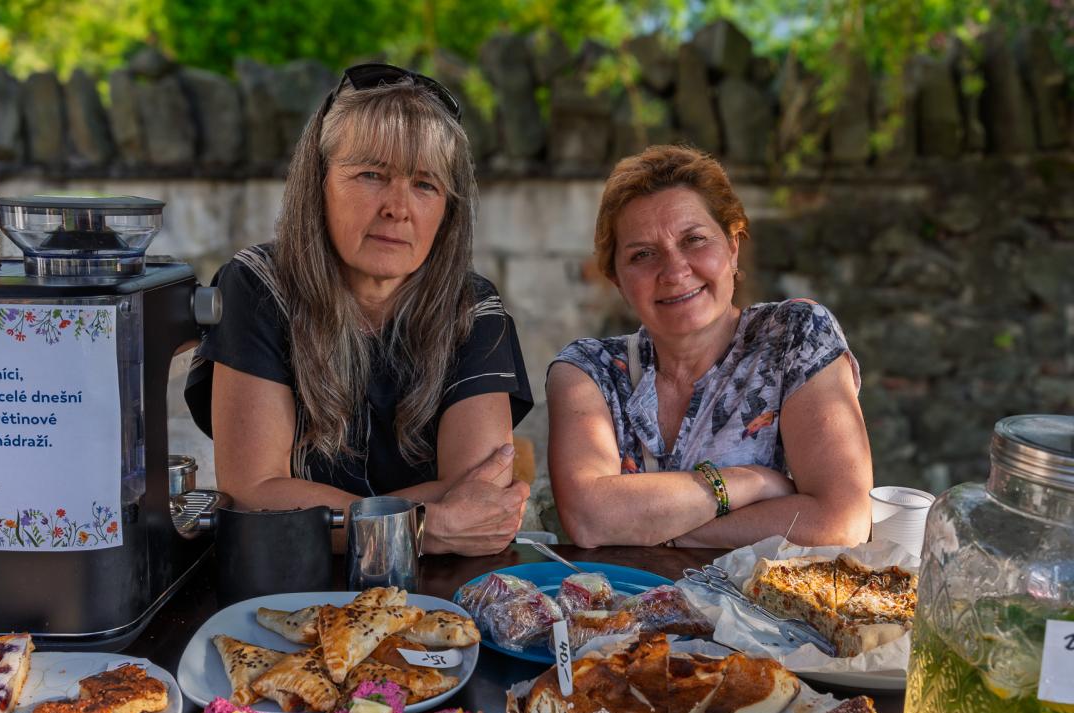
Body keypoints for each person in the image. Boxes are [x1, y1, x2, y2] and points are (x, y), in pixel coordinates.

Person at [185, 64, 532, 556]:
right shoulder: (258, 287)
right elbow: (253, 494)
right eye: (372, 174)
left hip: (436, 588)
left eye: (425, 184)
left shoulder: (472, 309)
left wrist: (330, 517)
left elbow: (481, 496)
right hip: (294, 580)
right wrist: (425, 527)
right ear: (318, 183)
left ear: (448, 212)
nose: (398, 207)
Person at [547, 145, 872, 549]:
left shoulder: (794, 338)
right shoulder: (588, 371)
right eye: (643, 254)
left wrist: (648, 528)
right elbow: (589, 518)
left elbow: (841, 521)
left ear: (733, 247)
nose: (674, 271)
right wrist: (751, 483)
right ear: (618, 280)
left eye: (694, 239)